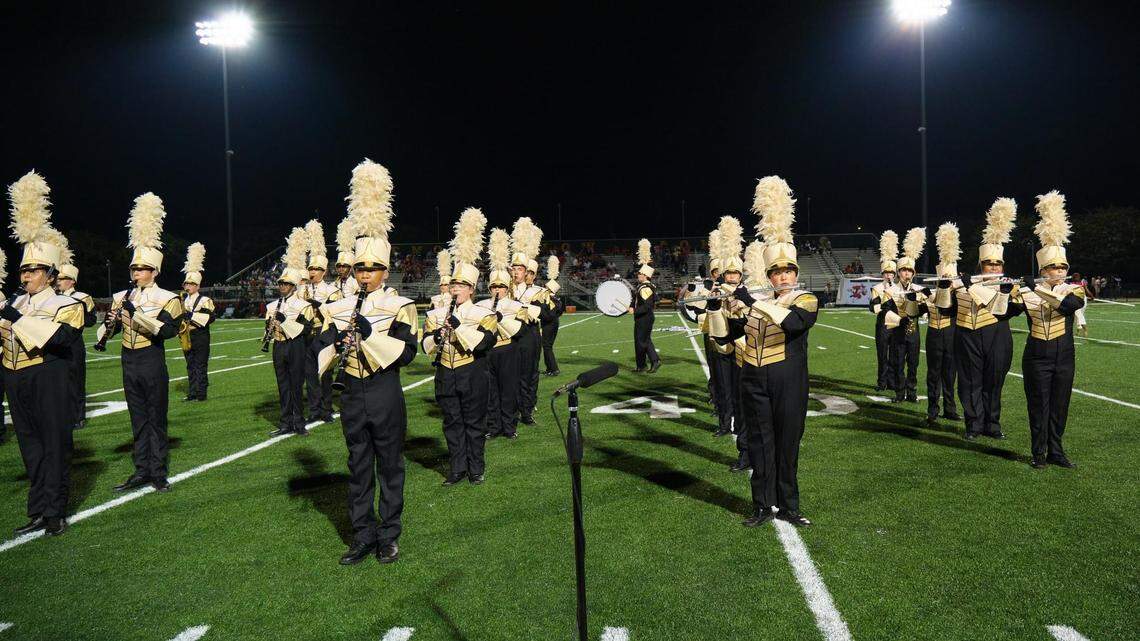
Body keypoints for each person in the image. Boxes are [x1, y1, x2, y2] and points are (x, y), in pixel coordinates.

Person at [315, 159, 418, 564]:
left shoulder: (400, 305)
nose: (365, 274)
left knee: (390, 466)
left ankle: (389, 534)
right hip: (352, 393)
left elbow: (407, 352)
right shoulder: (338, 306)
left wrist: (370, 335)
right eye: (360, 267)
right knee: (358, 466)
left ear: (385, 271)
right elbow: (320, 347)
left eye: (373, 268)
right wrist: (336, 343)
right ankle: (363, 534)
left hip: (384, 390)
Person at [713, 176, 817, 527]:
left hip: (789, 381)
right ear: (770, 276)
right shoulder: (757, 301)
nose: (783, 277)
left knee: (787, 445)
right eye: (777, 272)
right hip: (754, 380)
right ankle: (761, 506)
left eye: (788, 271)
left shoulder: (806, 299)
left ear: (795, 273)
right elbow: (727, 339)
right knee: (759, 444)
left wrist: (751, 301)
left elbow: (794, 324)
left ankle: (789, 506)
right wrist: (718, 307)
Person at [2, 170, 86, 536]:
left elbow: (63, 339)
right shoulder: (15, 302)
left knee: (54, 444)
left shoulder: (66, 303)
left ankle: (55, 511)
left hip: (48, 375)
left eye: (34, 270)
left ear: (50, 274)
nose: (26, 276)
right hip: (15, 377)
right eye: (24, 270)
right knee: (30, 446)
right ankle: (38, 509)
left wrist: (15, 317)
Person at [101, 192, 185, 493]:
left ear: (154, 271)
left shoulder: (168, 298)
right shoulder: (120, 296)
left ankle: (158, 471)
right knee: (137, 417)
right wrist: (109, 325)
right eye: (133, 269)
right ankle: (141, 470)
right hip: (128, 358)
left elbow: (167, 331)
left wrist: (136, 314)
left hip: (151, 357)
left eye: (141, 269)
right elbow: (109, 332)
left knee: (155, 416)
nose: (136, 273)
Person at [934, 197, 1020, 440]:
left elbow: (1010, 311)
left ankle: (992, 425)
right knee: (970, 383)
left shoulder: (1009, 286)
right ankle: (973, 425)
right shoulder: (962, 284)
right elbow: (945, 310)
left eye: (997, 264)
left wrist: (1005, 291)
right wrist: (944, 288)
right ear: (980, 264)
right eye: (988, 264)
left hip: (997, 336)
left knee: (994, 380)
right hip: (966, 336)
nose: (993, 267)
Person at [424, 208, 497, 485]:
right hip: (445, 372)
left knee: (474, 423)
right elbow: (425, 345)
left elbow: (486, 343)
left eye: (461, 284)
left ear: (471, 289)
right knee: (452, 422)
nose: (455, 288)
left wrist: (459, 327)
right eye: (453, 284)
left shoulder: (483, 313)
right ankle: (457, 468)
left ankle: (476, 468)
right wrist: (438, 335)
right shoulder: (435, 314)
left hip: (473, 372)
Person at [1018, 191, 1085, 469]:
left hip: (1064, 356)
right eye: (1052, 267)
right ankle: (1039, 453)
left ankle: (1056, 451)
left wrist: (1037, 289)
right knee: (1038, 405)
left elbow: (1067, 307)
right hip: (1036, 356)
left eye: (1062, 267)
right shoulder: (1025, 291)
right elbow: (999, 312)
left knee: (1060, 405)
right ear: (1043, 270)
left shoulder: (1075, 290)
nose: (1059, 271)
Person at [266, 228, 317, 438]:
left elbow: (307, 330)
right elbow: (267, 328)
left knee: (296, 385)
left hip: (296, 346)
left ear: (294, 286)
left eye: (286, 284)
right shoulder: (271, 306)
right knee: (283, 385)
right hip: (278, 345)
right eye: (281, 283)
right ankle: (285, 422)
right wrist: (269, 327)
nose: (282, 286)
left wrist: (285, 321)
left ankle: (299, 423)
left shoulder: (303, 306)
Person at [478, 228, 524, 440]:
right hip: (488, 352)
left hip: (508, 349)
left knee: (508, 390)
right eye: (494, 286)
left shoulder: (515, 305)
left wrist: (501, 318)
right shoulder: (481, 305)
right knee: (490, 391)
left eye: (501, 286)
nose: (497, 289)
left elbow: (520, 330)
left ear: (507, 288)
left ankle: (509, 426)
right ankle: (493, 426)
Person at [510, 218, 554, 424]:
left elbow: (549, 314)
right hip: (510, 338)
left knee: (529, 374)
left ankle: (527, 410)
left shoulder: (537, 292)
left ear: (527, 272)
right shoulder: (505, 290)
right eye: (513, 269)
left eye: (519, 269)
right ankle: (511, 410)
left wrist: (529, 308)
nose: (516, 272)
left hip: (529, 336)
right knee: (511, 376)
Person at [881, 228, 927, 403]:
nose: (906, 273)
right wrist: (899, 320)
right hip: (898, 332)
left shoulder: (919, 290)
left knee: (913, 364)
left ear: (913, 273)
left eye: (909, 271)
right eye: (903, 270)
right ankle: (900, 393)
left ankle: (912, 393)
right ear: (898, 272)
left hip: (914, 332)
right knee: (898, 364)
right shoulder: (890, 290)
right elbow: (885, 311)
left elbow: (926, 309)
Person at [55, 258, 97, 429]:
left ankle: (78, 416)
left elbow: (92, 320)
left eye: (62, 279)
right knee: (58, 381)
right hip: (55, 342)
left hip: (73, 343)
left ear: (72, 281)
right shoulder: (52, 297)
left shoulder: (82, 297)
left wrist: (77, 313)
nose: (58, 281)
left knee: (76, 380)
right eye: (57, 278)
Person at [925, 224, 960, 424]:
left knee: (950, 374)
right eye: (943, 279)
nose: (947, 281)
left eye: (949, 278)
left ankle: (950, 409)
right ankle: (932, 409)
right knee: (933, 374)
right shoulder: (929, 294)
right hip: (934, 336)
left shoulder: (960, 295)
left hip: (952, 336)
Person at [303, 220, 336, 423]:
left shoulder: (332, 290)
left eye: (316, 268)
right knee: (310, 376)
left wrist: (317, 304)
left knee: (325, 374)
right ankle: (314, 410)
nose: (312, 271)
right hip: (307, 335)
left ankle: (326, 409)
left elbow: (333, 313)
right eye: (310, 268)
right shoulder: (302, 290)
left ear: (323, 271)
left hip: (324, 334)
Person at [179, 243, 215, 402]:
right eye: (186, 284)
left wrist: (190, 316)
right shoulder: (182, 300)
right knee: (190, 365)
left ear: (198, 285)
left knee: (200, 365)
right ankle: (192, 392)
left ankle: (201, 394)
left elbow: (210, 318)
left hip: (200, 335)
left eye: (191, 284)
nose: (188, 286)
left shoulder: (205, 300)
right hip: (186, 335)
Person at [868, 231, 899, 391]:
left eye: (891, 273)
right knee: (882, 355)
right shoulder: (877, 288)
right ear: (883, 274)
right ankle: (881, 382)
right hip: (882, 324)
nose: (889, 275)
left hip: (895, 324)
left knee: (894, 355)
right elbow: (873, 308)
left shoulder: (899, 288)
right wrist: (885, 299)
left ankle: (892, 382)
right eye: (886, 273)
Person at [631, 238, 660, 373]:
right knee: (643, 341)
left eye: (640, 273)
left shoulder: (646, 287)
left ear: (645, 275)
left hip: (644, 317)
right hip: (643, 317)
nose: (638, 275)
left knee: (642, 341)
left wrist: (634, 310)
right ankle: (644, 364)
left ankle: (651, 362)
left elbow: (647, 306)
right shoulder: (644, 286)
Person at [540, 255, 564, 376]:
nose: (544, 288)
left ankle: (553, 369)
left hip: (549, 324)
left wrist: (541, 315)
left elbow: (548, 314)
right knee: (548, 346)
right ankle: (550, 368)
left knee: (547, 346)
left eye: (546, 287)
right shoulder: (557, 299)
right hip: (554, 323)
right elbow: (560, 312)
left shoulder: (550, 300)